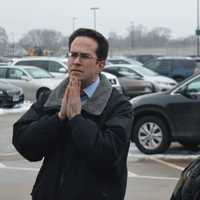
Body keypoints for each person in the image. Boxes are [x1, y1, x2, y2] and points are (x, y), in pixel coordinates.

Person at [13, 28, 133, 200]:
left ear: (101, 64)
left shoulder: (119, 106)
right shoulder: (51, 98)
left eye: (84, 56)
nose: (76, 61)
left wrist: (77, 119)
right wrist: (58, 118)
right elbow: (24, 143)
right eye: (73, 55)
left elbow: (108, 154)